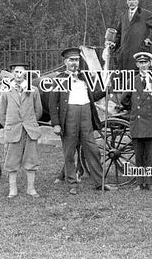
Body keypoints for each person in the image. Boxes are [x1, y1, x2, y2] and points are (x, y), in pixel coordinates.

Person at [49, 47, 116, 195]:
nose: (74, 63)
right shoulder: (59, 79)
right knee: (69, 152)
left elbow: (93, 96)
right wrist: (56, 124)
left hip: (86, 116)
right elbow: (53, 104)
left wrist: (105, 89)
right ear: (65, 62)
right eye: (71, 60)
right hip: (69, 117)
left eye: (77, 60)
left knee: (93, 150)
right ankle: (72, 183)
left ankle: (100, 183)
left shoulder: (85, 78)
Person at [120, 52, 152, 190]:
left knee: (149, 155)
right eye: (141, 63)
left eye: (146, 62)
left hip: (151, 122)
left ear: (150, 64)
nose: (143, 65)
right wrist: (134, 108)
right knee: (139, 155)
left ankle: (149, 182)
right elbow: (124, 99)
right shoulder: (132, 81)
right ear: (137, 65)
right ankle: (140, 183)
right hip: (137, 123)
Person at [0, 61, 43, 199]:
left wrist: (29, 122)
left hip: (29, 130)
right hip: (14, 130)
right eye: (16, 71)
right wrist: (10, 126)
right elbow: (1, 114)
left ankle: (31, 188)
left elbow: (38, 111)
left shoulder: (33, 90)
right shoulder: (6, 91)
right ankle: (13, 189)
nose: (19, 74)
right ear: (12, 73)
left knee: (31, 160)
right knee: (12, 161)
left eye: (22, 72)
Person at [106, 0, 152, 71]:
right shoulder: (122, 16)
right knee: (124, 80)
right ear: (126, 2)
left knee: (138, 79)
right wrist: (114, 44)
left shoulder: (145, 14)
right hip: (124, 57)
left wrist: (149, 39)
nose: (131, 2)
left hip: (139, 55)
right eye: (129, 0)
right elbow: (119, 34)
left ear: (138, 1)